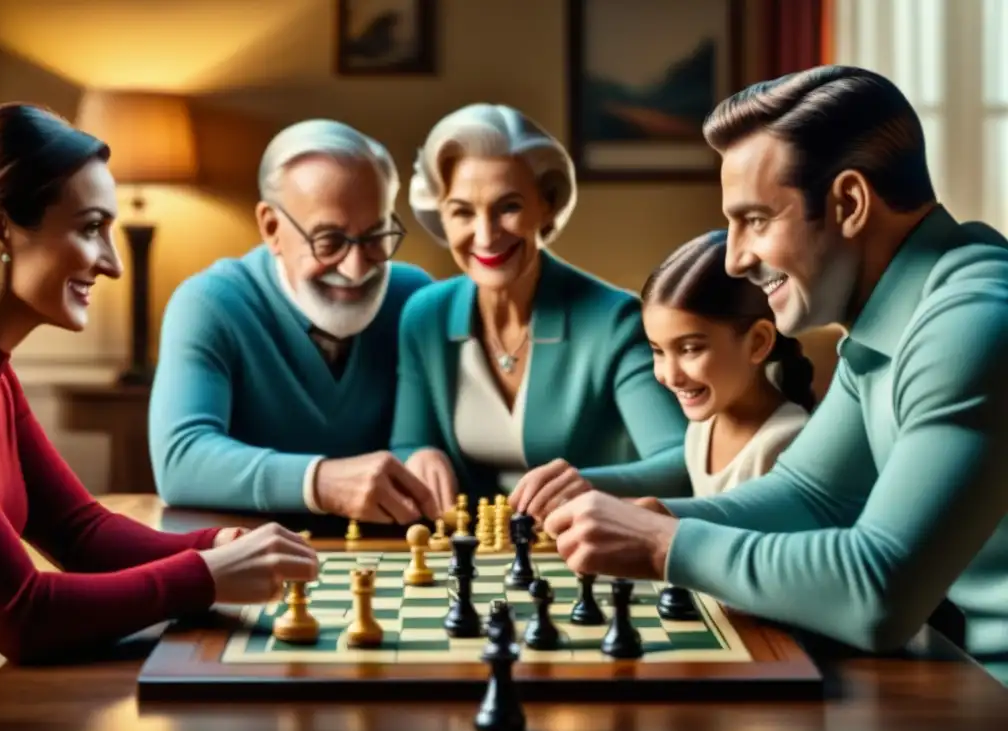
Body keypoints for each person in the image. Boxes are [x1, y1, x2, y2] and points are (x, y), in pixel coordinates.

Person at [543, 65, 1008, 683]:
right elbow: (809, 496)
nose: (734, 258)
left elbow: (878, 593)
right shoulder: (890, 318)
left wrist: (661, 545)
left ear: (848, 203)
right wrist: (664, 516)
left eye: (756, 220)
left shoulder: (969, 323)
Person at [0, 103, 318, 664]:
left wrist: (216, 546)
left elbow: (80, 532)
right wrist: (206, 575)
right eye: (91, 229)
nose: (113, 264)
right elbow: (25, 615)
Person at [390, 103, 690, 520]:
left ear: (546, 205)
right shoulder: (424, 316)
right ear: (440, 216)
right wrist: (418, 457)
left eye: (508, 206)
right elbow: (406, 443)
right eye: (462, 211)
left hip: (592, 549)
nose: (485, 235)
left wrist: (588, 483)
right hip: (476, 555)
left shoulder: (614, 320)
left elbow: (680, 461)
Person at [148, 119, 438, 528]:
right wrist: (320, 481)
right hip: (252, 558)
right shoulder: (209, 304)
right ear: (272, 228)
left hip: (392, 560)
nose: (356, 268)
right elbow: (181, 460)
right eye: (330, 241)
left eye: (375, 237)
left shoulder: (416, 299)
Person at [640, 229, 813, 499]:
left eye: (690, 349)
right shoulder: (702, 428)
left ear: (757, 342)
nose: (670, 376)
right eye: (658, 351)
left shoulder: (785, 443)